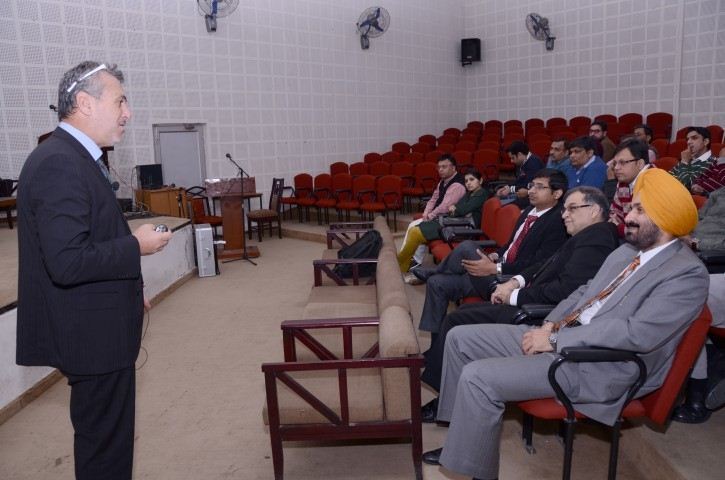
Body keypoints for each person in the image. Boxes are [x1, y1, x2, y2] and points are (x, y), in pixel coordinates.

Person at [421, 168, 708, 480]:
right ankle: (462, 438)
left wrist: (556, 340)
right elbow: (585, 291)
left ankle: (475, 468)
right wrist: (549, 325)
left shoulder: (686, 274)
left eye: (639, 210)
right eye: (631, 208)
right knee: (460, 338)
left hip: (601, 364)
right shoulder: (628, 251)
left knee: (478, 377)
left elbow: (636, 333)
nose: (628, 216)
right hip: (566, 336)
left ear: (665, 219)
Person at [16, 61, 172, 480]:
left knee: (108, 446)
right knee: (105, 454)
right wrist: (136, 246)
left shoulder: (72, 156)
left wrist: (128, 285)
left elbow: (88, 241)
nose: (128, 112)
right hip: (92, 337)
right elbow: (67, 261)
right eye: (120, 101)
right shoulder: (60, 163)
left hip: (98, 326)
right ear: (85, 103)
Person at [419, 187, 619, 418]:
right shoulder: (586, 235)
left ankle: (444, 400)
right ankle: (445, 390)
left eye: (572, 208)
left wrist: (514, 296)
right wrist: (515, 282)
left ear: (594, 210)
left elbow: (566, 291)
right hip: (527, 299)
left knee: (458, 319)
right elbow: (545, 265)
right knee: (460, 310)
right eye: (564, 209)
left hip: (536, 313)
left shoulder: (597, 239)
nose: (564, 214)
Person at [415, 169, 568, 336]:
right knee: (436, 283)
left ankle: (437, 270)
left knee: (467, 246)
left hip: (506, 282)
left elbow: (539, 265)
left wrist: (496, 269)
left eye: (539, 187)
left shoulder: (558, 222)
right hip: (496, 270)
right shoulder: (529, 212)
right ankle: (435, 348)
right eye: (531, 185)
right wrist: (494, 256)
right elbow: (510, 246)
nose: (531, 190)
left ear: (557, 193)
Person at [398, 168, 489, 273]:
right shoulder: (469, 194)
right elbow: (456, 209)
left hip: (464, 228)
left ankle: (401, 265)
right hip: (455, 222)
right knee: (414, 230)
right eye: (466, 181)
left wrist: (456, 209)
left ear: (480, 181)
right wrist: (456, 209)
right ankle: (402, 264)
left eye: (472, 179)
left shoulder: (481, 194)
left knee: (415, 232)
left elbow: (462, 209)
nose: (468, 183)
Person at [400, 153, 465, 269]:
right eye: (439, 167)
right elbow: (433, 199)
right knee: (413, 225)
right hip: (438, 217)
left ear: (453, 168)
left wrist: (430, 216)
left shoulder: (457, 185)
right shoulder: (443, 181)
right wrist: (426, 213)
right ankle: (413, 259)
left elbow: (444, 207)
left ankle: (410, 260)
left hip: (449, 220)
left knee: (415, 228)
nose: (440, 170)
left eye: (444, 167)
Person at [608, 138, 652, 236]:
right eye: (615, 163)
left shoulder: (652, 183)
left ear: (640, 164)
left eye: (622, 162)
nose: (616, 168)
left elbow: (645, 232)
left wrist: (618, 227)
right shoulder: (624, 181)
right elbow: (614, 215)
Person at [494, 140, 544, 208]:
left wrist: (510, 189)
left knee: (500, 206)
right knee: (495, 200)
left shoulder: (534, 164)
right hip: (523, 193)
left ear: (520, 154)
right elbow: (520, 180)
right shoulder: (526, 161)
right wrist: (507, 187)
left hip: (530, 198)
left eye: (513, 158)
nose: (511, 161)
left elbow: (528, 185)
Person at [670, 126, 716, 191]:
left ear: (705, 141)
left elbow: (688, 185)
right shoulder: (687, 159)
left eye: (694, 138)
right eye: (687, 139)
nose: (688, 142)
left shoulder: (713, 163)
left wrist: (684, 162)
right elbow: (667, 178)